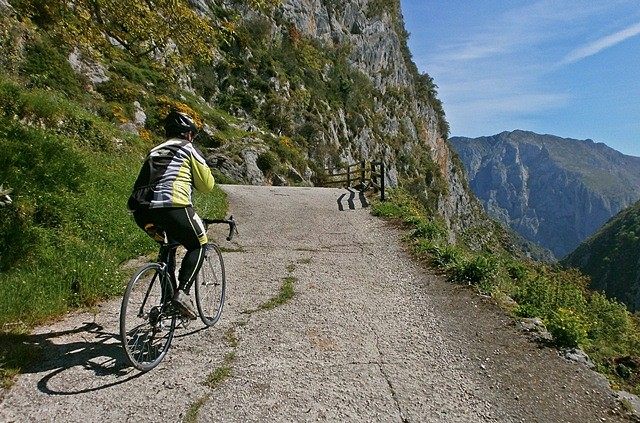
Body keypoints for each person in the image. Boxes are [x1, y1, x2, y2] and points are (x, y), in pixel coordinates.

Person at [127, 111, 215, 319]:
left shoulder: (154, 149)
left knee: (168, 246)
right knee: (198, 243)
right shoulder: (188, 147)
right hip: (173, 206)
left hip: (141, 211)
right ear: (189, 134)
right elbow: (207, 185)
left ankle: (167, 301)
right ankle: (182, 294)